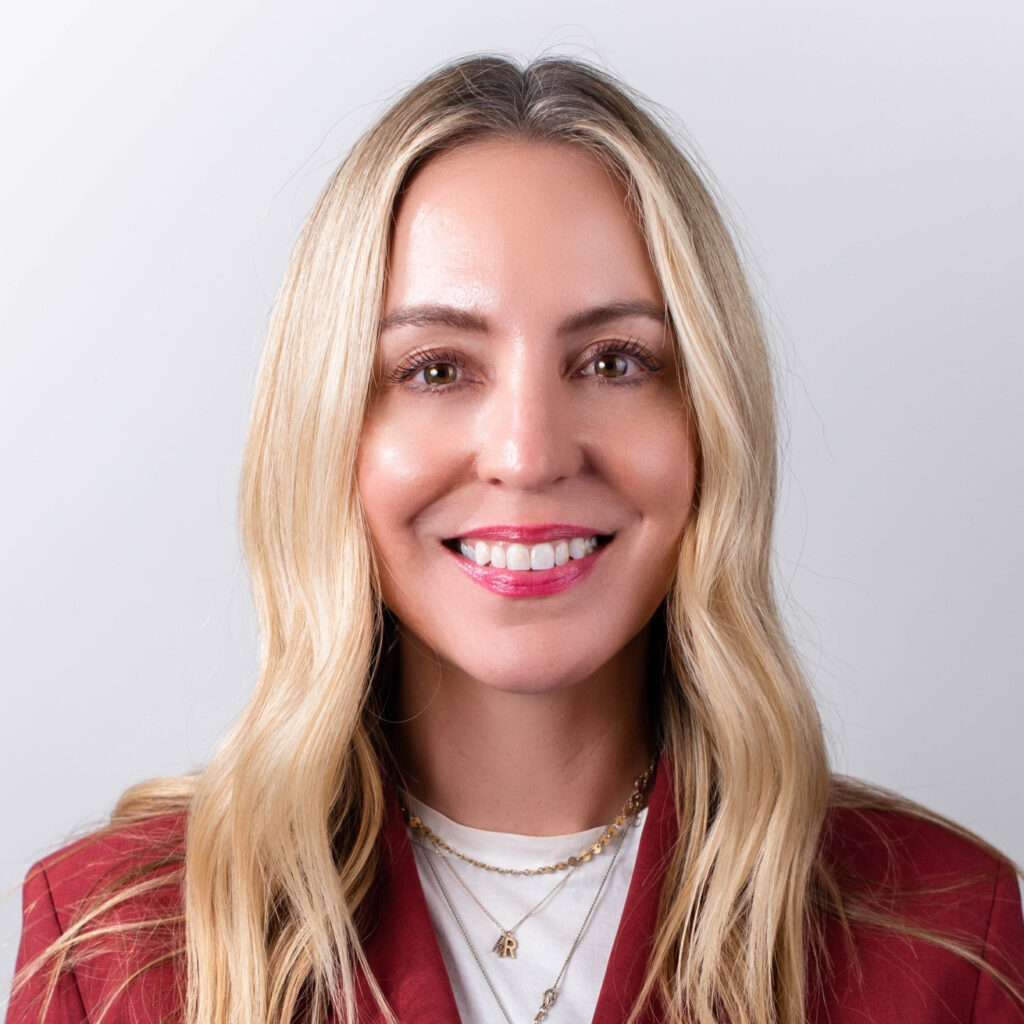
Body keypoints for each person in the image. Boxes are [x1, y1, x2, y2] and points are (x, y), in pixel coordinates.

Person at [7, 54, 1024, 1024]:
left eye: (615, 361)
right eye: (437, 369)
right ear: (329, 432)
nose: (528, 454)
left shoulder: (942, 934)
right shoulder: (118, 944)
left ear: (710, 423)